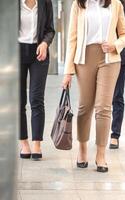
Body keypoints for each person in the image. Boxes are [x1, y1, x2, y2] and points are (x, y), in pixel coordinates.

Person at [62, 0, 125, 173]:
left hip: (109, 59)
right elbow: (72, 39)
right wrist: (67, 71)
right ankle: (82, 148)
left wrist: (115, 45)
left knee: (103, 107)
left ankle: (101, 154)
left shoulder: (115, 4)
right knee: (85, 107)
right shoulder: (79, 5)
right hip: (84, 59)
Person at [19, 0, 55, 161]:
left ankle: (36, 143)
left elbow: (50, 30)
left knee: (36, 98)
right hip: (16, 52)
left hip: (39, 54)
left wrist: (45, 43)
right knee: (18, 101)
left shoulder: (45, 2)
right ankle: (23, 142)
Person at [109, 0, 125, 150]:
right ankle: (101, 131)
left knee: (117, 96)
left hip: (119, 57)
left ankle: (115, 135)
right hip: (99, 56)